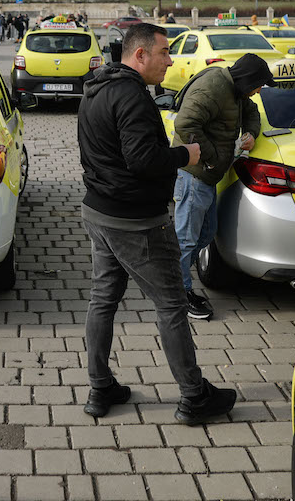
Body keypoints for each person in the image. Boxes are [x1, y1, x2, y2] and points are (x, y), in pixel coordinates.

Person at [77, 23, 238, 425]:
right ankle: (194, 396)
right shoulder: (132, 97)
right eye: (164, 52)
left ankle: (100, 388)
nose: (170, 61)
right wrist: (187, 155)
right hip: (136, 222)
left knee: (103, 298)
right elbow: (143, 160)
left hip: (99, 212)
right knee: (171, 305)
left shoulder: (96, 88)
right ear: (140, 55)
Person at [171, 54, 274, 320]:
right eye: (258, 85)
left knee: (206, 233)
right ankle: (178, 295)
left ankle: (172, 279)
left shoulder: (236, 91)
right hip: (194, 176)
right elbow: (184, 124)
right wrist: (213, 158)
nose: (258, 91)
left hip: (207, 178)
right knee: (186, 239)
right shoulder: (214, 87)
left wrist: (250, 133)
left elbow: (252, 112)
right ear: (248, 79)